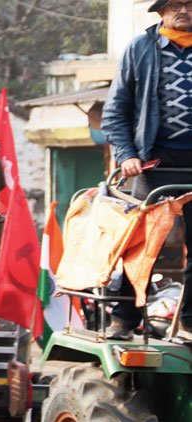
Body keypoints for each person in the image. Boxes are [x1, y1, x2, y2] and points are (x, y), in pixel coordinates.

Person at [102, 0, 192, 338]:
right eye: (177, 4)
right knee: (141, 243)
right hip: (153, 162)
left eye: (191, 3)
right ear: (162, 11)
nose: (185, 10)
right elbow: (115, 109)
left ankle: (190, 321)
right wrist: (126, 153)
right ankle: (124, 317)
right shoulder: (142, 48)